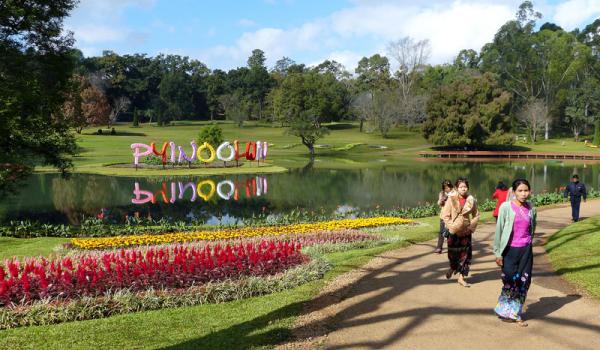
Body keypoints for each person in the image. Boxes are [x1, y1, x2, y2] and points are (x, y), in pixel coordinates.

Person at [493, 179, 537, 327]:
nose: (524, 194)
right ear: (514, 191)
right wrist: (498, 253)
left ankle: (516, 313)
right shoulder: (506, 207)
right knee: (509, 279)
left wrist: (529, 243)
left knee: (523, 281)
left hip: (526, 251)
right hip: (509, 251)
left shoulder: (531, 208)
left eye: (526, 190)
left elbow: (532, 228)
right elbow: (499, 230)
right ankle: (505, 309)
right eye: (520, 191)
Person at [440, 177, 480, 287]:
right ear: (457, 188)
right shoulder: (451, 199)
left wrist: (471, 228)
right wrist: (452, 227)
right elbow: (445, 216)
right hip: (453, 231)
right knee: (453, 254)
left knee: (466, 255)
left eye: (465, 187)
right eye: (461, 187)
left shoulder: (471, 200)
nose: (463, 189)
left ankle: (461, 278)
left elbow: (476, 215)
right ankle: (452, 267)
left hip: (466, 231)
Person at [435, 180, 456, 254]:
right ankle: (439, 247)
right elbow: (439, 203)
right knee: (441, 232)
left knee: (450, 232)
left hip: (452, 216)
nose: (447, 189)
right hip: (443, 215)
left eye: (448, 187)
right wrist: (442, 200)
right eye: (445, 187)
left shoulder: (454, 193)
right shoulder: (442, 193)